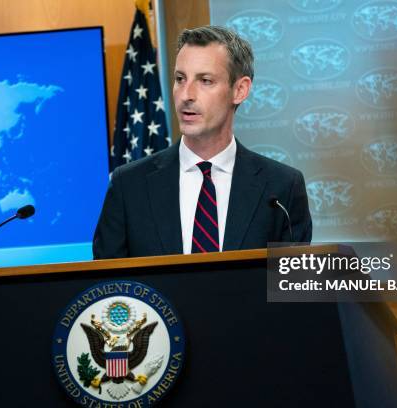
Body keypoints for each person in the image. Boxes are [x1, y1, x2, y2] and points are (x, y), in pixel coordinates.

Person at [93, 25, 311, 259]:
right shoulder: (128, 186)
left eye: (205, 80)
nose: (186, 95)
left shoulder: (282, 187)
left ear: (240, 90)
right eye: (180, 79)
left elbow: (293, 291)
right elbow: (108, 290)